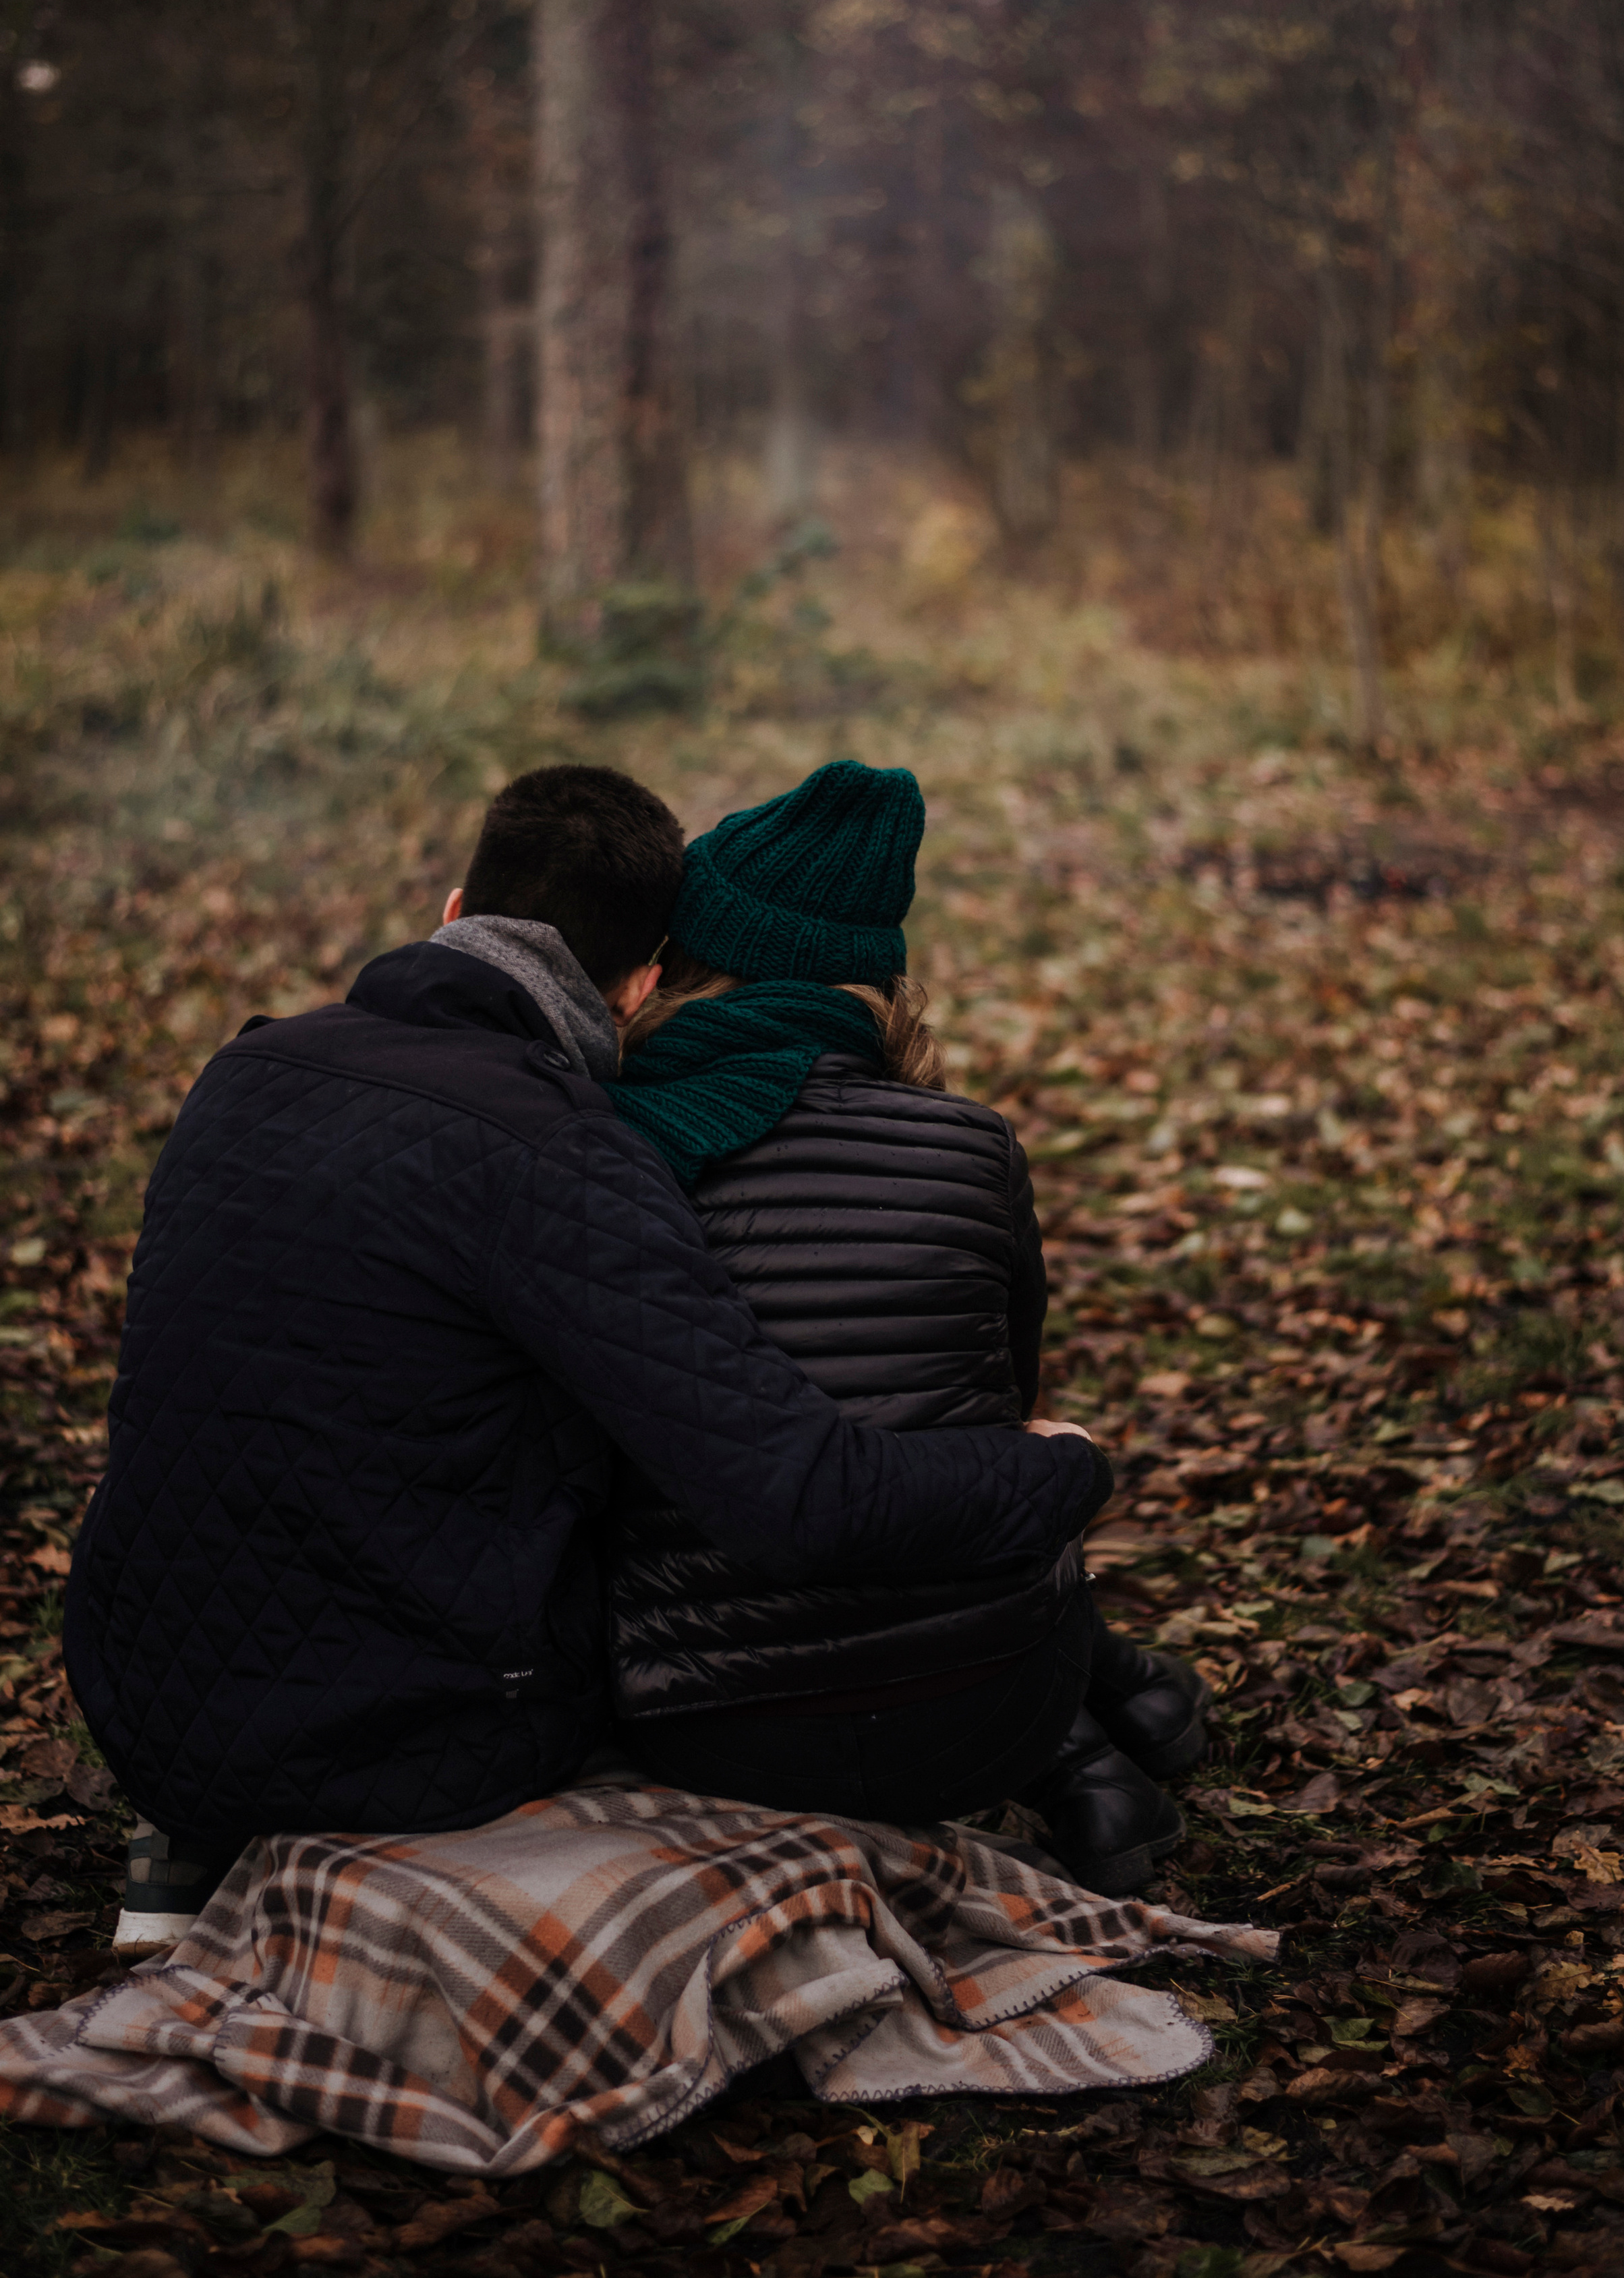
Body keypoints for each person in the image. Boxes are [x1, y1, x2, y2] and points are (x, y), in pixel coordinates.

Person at [65, 763, 1104, 1956]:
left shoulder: (243, 1069)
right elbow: (801, 1495)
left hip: (141, 1704)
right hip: (404, 1747)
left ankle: (197, 1832)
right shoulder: (562, 1149)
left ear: (454, 910)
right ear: (640, 984)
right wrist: (1061, 1470)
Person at [605, 760, 1209, 1895]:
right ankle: (1099, 1746)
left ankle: (1114, 1733)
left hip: (706, 1725)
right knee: (1019, 1450)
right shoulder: (973, 1146)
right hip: (987, 1706)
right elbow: (1001, 1404)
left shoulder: (607, 1155)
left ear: (689, 959)